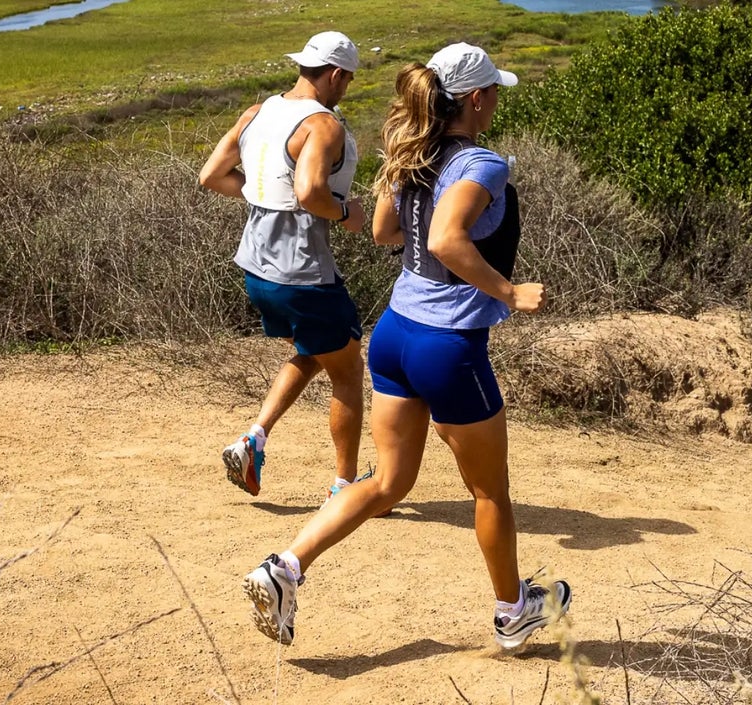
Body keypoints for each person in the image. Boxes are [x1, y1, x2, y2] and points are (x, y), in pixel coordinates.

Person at [242, 42, 571, 651]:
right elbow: (447, 239)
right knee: (490, 491)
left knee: (389, 483)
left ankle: (284, 569)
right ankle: (512, 612)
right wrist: (509, 290)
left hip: (396, 332)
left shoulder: (410, 154)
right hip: (447, 347)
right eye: (494, 90)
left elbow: (382, 231)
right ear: (475, 99)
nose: (497, 99)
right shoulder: (481, 165)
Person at [197, 31, 368, 499]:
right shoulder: (323, 125)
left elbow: (211, 176)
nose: (347, 87)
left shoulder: (258, 112)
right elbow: (312, 193)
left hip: (256, 266)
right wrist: (346, 213)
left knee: (318, 351)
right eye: (348, 79)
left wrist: (264, 199)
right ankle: (345, 489)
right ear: (335, 74)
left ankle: (253, 439)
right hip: (303, 271)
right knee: (349, 370)